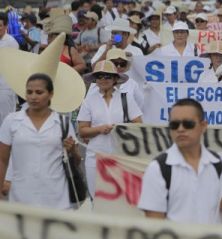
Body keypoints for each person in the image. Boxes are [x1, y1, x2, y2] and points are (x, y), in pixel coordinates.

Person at [138, 98, 222, 224]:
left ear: (203, 126)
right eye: (174, 125)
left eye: (188, 124)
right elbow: (154, 226)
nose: (180, 129)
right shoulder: (158, 168)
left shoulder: (220, 162)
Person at [0, 73, 80, 208]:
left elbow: (77, 161)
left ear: (50, 94)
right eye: (29, 92)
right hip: (21, 195)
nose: (33, 97)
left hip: (57, 197)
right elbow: (2, 159)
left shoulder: (63, 123)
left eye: (39, 92)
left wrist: (72, 149)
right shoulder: (12, 121)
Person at [78, 60, 142, 195]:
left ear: (115, 79)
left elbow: (139, 125)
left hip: (121, 157)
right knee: (96, 197)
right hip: (95, 157)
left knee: (120, 199)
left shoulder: (126, 98)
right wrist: (99, 129)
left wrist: (121, 129)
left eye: (107, 76)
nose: (103, 79)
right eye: (99, 76)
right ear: (95, 79)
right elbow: (82, 130)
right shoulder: (88, 101)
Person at [0, 12, 19, 126]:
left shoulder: (11, 42)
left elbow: (14, 66)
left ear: (6, 26)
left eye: (0, 25)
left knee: (5, 120)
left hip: (5, 87)